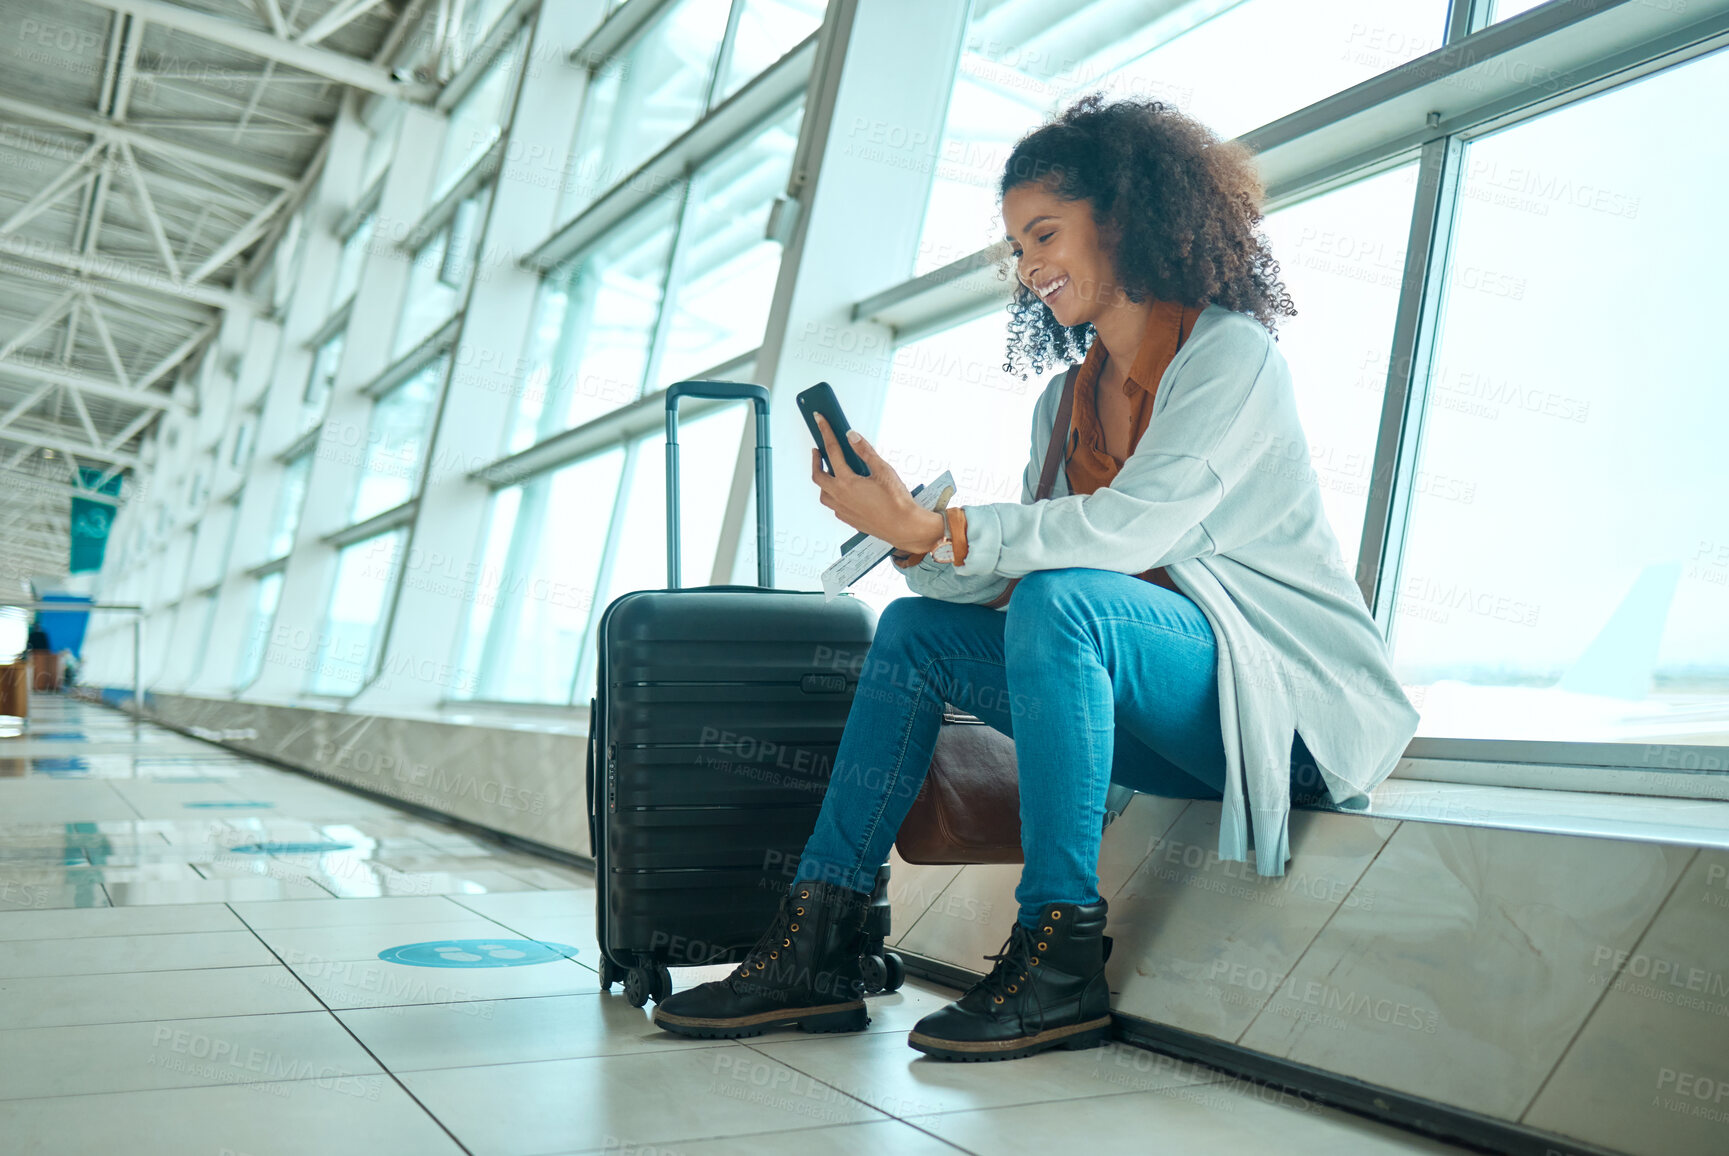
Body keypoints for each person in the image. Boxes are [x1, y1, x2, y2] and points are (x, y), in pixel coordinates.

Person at [653, 95, 1420, 1060]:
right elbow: (1022, 585)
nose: (1028, 268)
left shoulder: (1232, 357)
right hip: (1166, 712)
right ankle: (823, 939)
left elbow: (1123, 532)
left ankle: (1060, 956)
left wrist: (945, 525)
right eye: (1016, 247)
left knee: (1068, 599)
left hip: (1286, 714)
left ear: (1126, 220)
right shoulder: (1065, 403)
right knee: (913, 633)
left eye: (1044, 234)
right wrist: (912, 540)